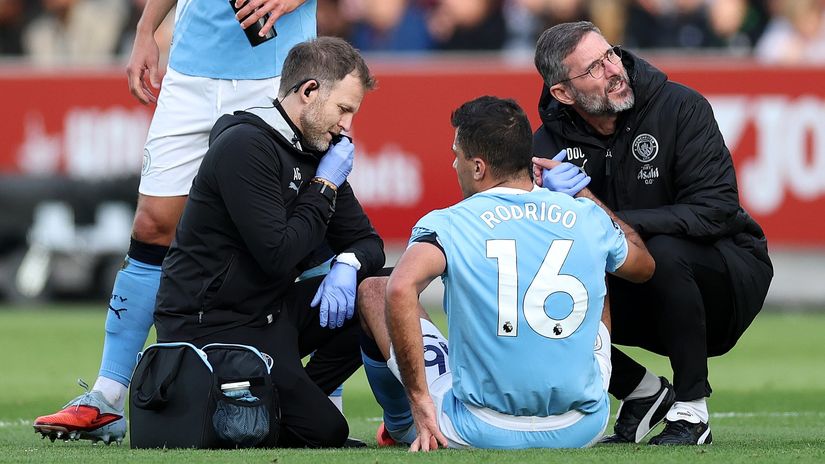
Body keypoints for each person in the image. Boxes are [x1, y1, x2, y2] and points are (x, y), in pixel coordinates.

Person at [33, 0, 318, 444]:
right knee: (152, 224)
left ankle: (330, 396)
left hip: (280, 70)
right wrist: (147, 28)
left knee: (296, 225)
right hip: (192, 70)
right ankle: (109, 395)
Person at [356, 96, 655, 451]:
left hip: (478, 426)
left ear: (479, 167)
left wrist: (420, 399)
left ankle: (404, 424)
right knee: (597, 256)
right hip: (580, 425)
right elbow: (643, 267)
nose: (454, 164)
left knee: (375, 289)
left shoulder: (450, 222)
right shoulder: (584, 215)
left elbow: (400, 288)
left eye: (458, 154)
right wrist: (584, 195)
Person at [532, 21, 773, 445]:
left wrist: (600, 211)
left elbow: (716, 211)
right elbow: (538, 238)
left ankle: (693, 410)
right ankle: (641, 392)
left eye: (610, 55)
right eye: (593, 68)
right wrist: (540, 203)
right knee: (535, 282)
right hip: (634, 287)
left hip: (726, 277)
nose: (612, 70)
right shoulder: (548, 142)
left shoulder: (680, 106)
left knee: (662, 249)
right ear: (563, 93)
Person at [153, 36, 383, 447]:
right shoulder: (246, 146)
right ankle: (282, 403)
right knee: (328, 432)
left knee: (378, 291)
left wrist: (347, 265)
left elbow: (368, 242)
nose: (347, 125)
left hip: (268, 312)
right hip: (213, 325)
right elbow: (278, 254)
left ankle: (285, 397)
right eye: (343, 109)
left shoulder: (318, 147)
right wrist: (326, 184)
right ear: (309, 91)